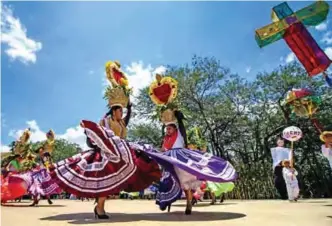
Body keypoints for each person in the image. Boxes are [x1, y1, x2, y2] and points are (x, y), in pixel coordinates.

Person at [50, 61, 161, 219]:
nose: (121, 113)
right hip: (107, 155)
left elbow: (127, 119)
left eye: (123, 111)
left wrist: (130, 107)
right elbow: (99, 136)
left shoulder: (122, 122)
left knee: (143, 164)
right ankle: (100, 208)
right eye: (120, 110)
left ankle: (101, 206)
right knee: (105, 182)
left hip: (123, 153)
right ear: (114, 110)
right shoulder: (106, 121)